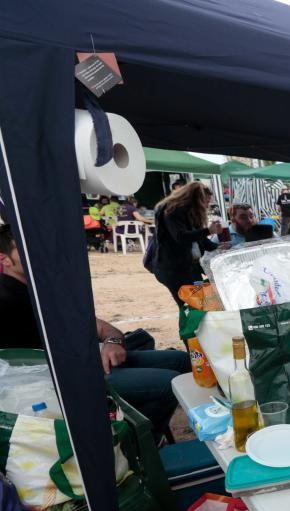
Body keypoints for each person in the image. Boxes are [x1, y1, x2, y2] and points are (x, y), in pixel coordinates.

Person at [0, 224, 189, 439]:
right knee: (170, 382)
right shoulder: (7, 299)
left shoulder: (44, 288)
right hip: (61, 382)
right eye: (24, 249)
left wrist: (112, 342)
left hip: (91, 361)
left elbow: (101, 326)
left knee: (180, 360)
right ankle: (136, 446)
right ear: (4, 260)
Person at [150, 182, 222, 307]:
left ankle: (195, 325)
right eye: (205, 201)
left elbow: (199, 240)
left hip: (190, 267)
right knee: (189, 306)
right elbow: (181, 237)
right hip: (174, 269)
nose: (206, 206)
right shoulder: (172, 211)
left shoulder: (190, 213)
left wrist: (217, 246)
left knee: (199, 302)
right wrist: (208, 231)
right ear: (196, 199)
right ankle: (189, 326)